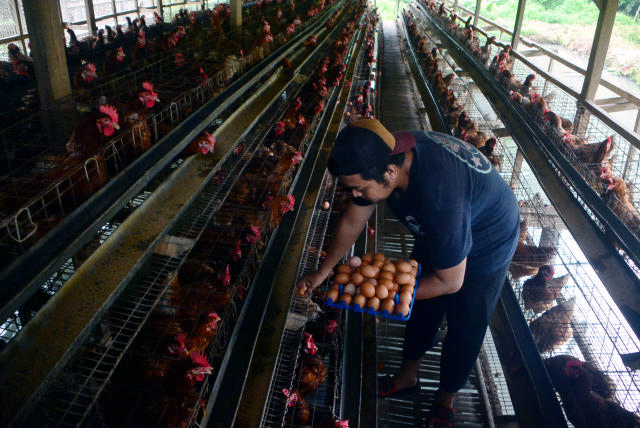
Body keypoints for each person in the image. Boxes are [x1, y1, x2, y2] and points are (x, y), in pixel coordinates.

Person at [297, 118, 519, 428]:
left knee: (466, 320)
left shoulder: (440, 198)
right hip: (443, 230)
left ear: (389, 173)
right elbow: (352, 220)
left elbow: (450, 281)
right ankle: (408, 376)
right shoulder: (388, 150)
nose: (355, 194)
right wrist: (324, 271)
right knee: (421, 305)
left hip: (487, 241)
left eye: (359, 187)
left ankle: (445, 397)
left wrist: (382, 298)